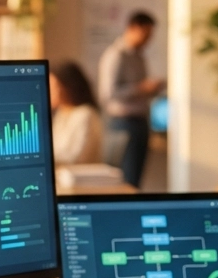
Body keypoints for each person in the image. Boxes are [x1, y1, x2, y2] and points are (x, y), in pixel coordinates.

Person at [97, 11, 165, 187]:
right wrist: (140, 88)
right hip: (123, 124)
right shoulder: (116, 55)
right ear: (132, 28)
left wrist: (153, 89)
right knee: (125, 180)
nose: (148, 40)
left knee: (136, 180)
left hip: (141, 123)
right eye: (145, 34)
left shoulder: (139, 56)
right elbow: (108, 94)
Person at [49, 61, 103, 165]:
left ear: (68, 86)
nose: (48, 91)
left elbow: (78, 158)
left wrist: (45, 160)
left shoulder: (86, 114)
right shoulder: (62, 114)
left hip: (82, 177)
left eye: (53, 86)